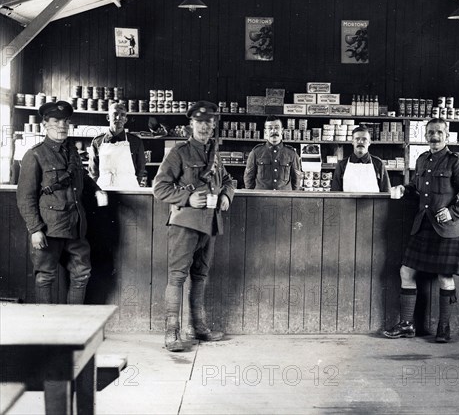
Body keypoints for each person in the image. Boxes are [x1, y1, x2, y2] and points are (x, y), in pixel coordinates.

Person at [383, 118, 459, 342]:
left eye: (439, 132)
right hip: (423, 226)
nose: (434, 137)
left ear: (447, 136)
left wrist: (453, 212)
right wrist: (404, 188)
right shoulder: (421, 160)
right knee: (406, 272)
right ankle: (407, 325)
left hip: (447, 229)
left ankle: (444, 328)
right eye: (430, 133)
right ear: (425, 135)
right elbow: (419, 190)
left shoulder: (456, 162)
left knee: (445, 278)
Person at [153, 101, 235, 352]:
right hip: (185, 225)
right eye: (200, 122)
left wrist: (226, 195)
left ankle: (197, 327)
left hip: (209, 224)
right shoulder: (179, 153)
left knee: (199, 276)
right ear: (191, 124)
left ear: (213, 126)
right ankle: (171, 333)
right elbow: (159, 188)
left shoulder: (214, 154)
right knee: (177, 277)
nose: (204, 127)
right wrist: (187, 198)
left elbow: (229, 180)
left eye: (209, 123)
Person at [16, 101, 107, 304]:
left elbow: (81, 175)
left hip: (76, 225)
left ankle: (72, 328)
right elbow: (25, 197)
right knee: (45, 277)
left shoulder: (72, 151)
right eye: (56, 121)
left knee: (81, 274)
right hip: (49, 227)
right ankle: (46, 327)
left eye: (65, 121)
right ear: (45, 124)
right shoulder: (35, 155)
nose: (62, 125)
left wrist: (97, 190)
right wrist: (35, 229)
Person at [89, 102, 145, 188]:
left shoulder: (135, 141)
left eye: (122, 115)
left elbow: (141, 169)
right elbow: (93, 171)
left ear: (125, 119)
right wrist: (97, 190)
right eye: (115, 114)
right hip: (104, 189)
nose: (118, 118)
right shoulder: (97, 141)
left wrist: (132, 185)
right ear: (108, 117)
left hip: (129, 189)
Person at [243, 115, 302, 190]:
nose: (273, 131)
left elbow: (296, 182)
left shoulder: (292, 154)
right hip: (261, 199)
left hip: (284, 199)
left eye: (277, 128)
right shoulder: (256, 152)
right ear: (265, 132)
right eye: (270, 128)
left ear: (282, 131)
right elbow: (248, 180)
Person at [331, 125, 391, 192]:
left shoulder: (378, 164)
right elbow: (335, 193)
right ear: (352, 141)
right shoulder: (342, 165)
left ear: (369, 142)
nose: (360, 142)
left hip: (373, 202)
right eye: (357, 139)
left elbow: (386, 192)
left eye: (364, 139)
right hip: (348, 202)